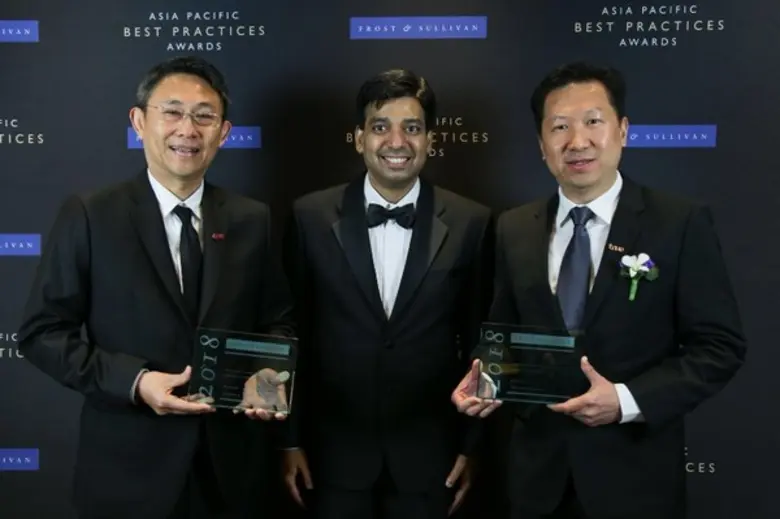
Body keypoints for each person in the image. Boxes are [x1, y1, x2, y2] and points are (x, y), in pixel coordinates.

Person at [451, 62, 747, 519]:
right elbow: (503, 330)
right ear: (542, 145)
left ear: (622, 130)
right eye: (559, 127)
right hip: (537, 480)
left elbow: (719, 346)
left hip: (635, 478)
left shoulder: (678, 223)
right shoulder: (514, 227)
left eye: (593, 121)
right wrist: (484, 377)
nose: (577, 141)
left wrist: (626, 400)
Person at [17, 56, 295, 519]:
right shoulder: (91, 214)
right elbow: (42, 333)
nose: (188, 129)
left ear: (223, 132)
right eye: (172, 112)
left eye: (204, 116)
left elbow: (277, 321)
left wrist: (266, 378)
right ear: (139, 121)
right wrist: (136, 381)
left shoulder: (252, 219)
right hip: (127, 473)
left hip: (231, 474)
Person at [280, 69, 493, 519]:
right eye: (380, 127)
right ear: (359, 138)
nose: (397, 141)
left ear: (430, 140)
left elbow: (482, 343)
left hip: (432, 456)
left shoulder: (472, 222)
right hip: (331, 454)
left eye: (412, 128)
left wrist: (471, 446)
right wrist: (290, 440)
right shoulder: (309, 216)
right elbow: (291, 334)